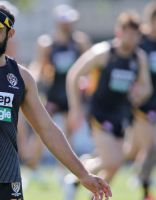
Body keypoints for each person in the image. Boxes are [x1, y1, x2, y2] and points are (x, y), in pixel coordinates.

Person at [0, 3, 112, 200]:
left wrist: (82, 174)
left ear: (10, 34)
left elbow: (47, 129)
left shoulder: (21, 77)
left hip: (8, 184)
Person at [65, 10, 152, 200]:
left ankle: (81, 183)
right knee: (113, 160)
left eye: (135, 33)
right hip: (100, 113)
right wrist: (76, 108)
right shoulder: (104, 52)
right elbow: (74, 75)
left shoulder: (139, 58)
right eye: (127, 32)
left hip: (121, 115)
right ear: (119, 32)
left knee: (114, 163)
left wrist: (139, 93)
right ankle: (76, 178)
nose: (131, 37)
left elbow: (146, 87)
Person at [25, 4, 91, 179]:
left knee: (69, 135)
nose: (68, 25)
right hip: (54, 94)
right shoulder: (48, 43)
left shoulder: (79, 42)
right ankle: (32, 167)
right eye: (65, 21)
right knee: (42, 129)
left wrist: (87, 82)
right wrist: (33, 78)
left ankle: (63, 171)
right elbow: (39, 66)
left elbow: (88, 65)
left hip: (72, 96)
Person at [123, 2, 156, 199]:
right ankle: (145, 192)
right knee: (151, 147)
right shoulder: (140, 43)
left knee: (129, 152)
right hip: (141, 105)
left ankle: (90, 165)